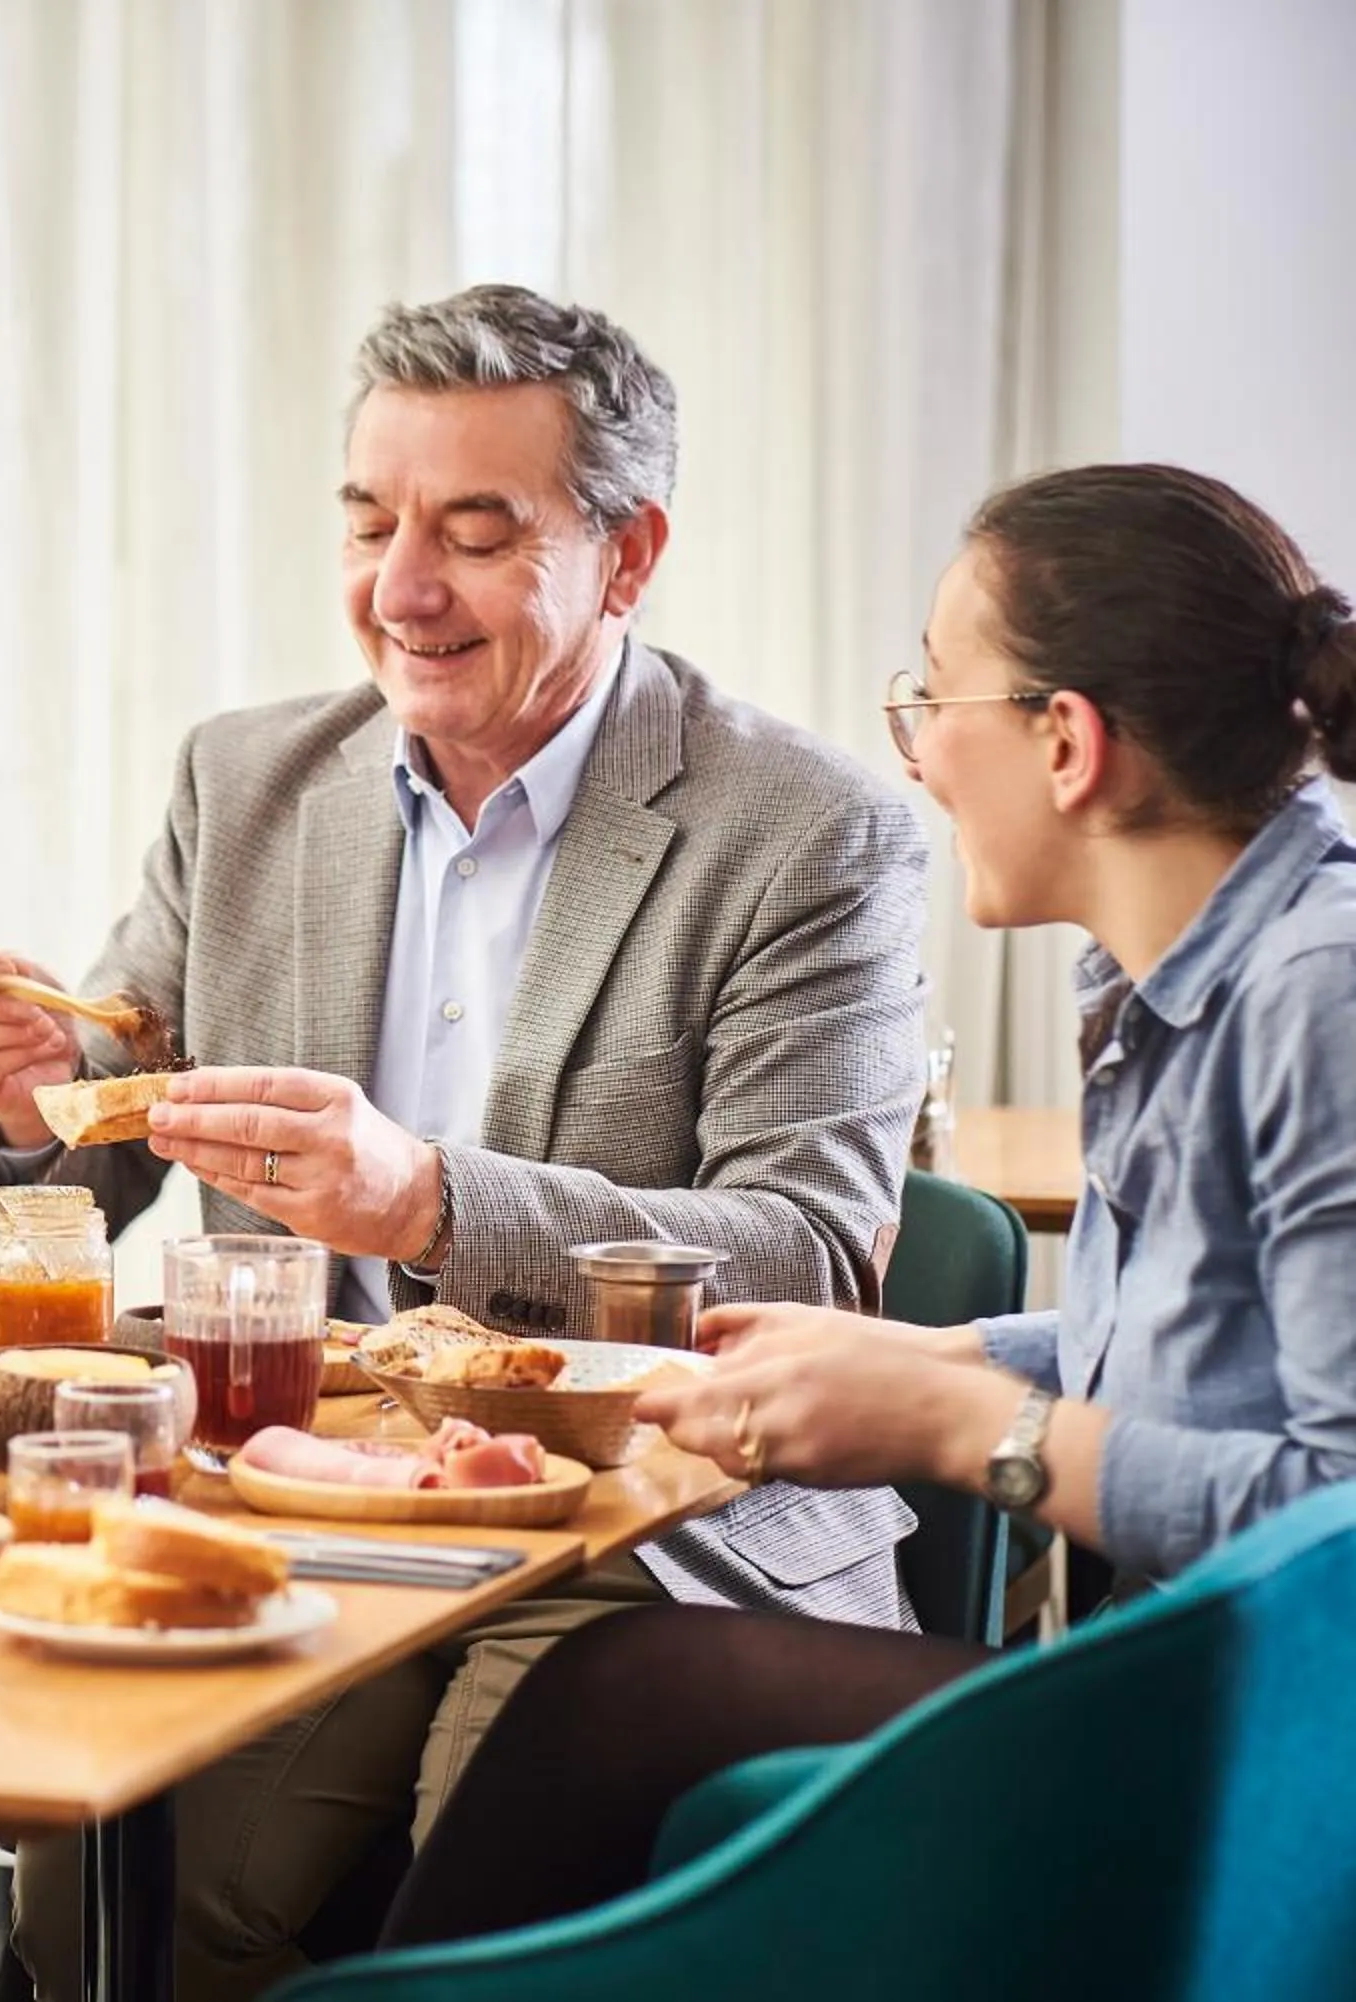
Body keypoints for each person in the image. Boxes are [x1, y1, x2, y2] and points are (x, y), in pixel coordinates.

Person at [0, 285, 930, 1998]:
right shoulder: (244, 783)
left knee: (476, 1886)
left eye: (474, 531)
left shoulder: (806, 829)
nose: (401, 589)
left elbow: (810, 1251)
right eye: (372, 522)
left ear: (628, 553)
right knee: (114, 1891)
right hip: (295, 1486)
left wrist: (438, 1202)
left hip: (640, 1518)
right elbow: (107, 1138)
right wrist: (22, 1117)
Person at [376, 461, 1356, 1948]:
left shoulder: (1318, 997)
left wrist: (952, 1426)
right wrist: (935, 1359)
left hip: (1284, 1748)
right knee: (619, 1694)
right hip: (1205, 1679)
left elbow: (1335, 1523)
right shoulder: (1191, 979)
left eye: (934, 700)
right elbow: (1189, 1351)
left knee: (628, 1695)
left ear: (1069, 742)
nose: (915, 756)